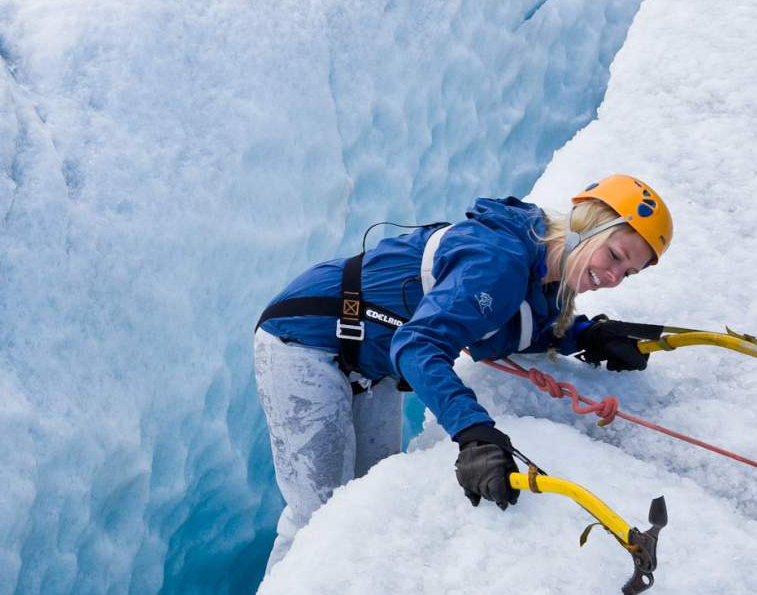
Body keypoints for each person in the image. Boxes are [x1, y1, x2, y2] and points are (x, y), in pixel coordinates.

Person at [251, 175, 674, 573]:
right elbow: (418, 344)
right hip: (306, 341)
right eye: (615, 255)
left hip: (369, 364)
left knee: (362, 507)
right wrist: (473, 432)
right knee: (317, 517)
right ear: (586, 227)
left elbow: (508, 326)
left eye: (628, 273)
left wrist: (588, 336)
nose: (614, 276)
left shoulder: (544, 274)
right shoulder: (501, 261)